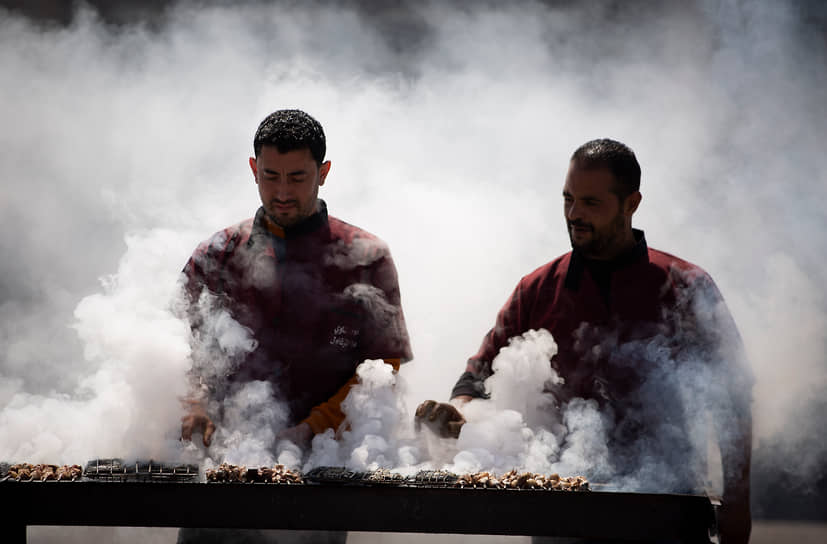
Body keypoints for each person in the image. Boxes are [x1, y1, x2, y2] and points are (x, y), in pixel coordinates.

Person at [415, 139, 752, 544]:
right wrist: (458, 414)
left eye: (591, 203)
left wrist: (738, 501)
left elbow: (733, 401)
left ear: (631, 203)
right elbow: (477, 377)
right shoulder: (538, 289)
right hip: (560, 512)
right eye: (568, 199)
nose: (575, 214)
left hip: (664, 510)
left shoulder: (686, 286)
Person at [179, 109, 412, 543]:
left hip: (316, 480)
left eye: (297, 178)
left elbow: (385, 366)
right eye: (270, 176)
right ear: (253, 169)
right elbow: (177, 342)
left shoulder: (367, 257)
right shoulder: (217, 255)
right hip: (219, 480)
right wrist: (195, 399)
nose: (282, 192)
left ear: (323, 173)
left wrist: (313, 427)